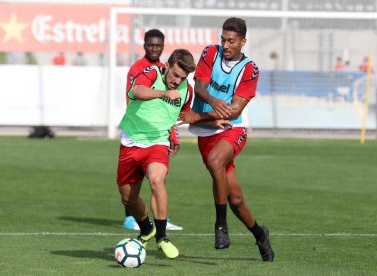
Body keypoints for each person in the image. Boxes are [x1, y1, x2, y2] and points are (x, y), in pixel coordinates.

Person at [178, 17, 275, 262]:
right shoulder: (211, 53)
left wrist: (195, 116)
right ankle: (259, 233)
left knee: (215, 161)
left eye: (231, 41)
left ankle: (220, 225)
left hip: (233, 129)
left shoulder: (250, 69)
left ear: (243, 41)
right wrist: (209, 106)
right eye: (223, 39)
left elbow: (234, 112)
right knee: (236, 199)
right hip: (206, 130)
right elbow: (199, 87)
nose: (226, 45)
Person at [116, 49, 199, 259]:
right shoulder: (152, 73)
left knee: (156, 179)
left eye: (183, 77)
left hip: (158, 143)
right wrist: (163, 93)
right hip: (131, 142)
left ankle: (162, 237)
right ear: (168, 66)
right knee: (128, 198)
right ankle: (146, 228)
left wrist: (175, 135)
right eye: (175, 75)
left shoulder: (187, 90)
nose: (177, 81)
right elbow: (137, 91)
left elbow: (179, 115)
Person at [122, 29, 183, 232]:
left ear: (163, 47)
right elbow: (132, 96)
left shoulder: (168, 71)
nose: (154, 48)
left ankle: (159, 224)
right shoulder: (138, 68)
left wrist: (172, 133)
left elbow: (170, 110)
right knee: (130, 189)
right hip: (137, 131)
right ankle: (131, 216)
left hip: (157, 136)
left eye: (158, 45)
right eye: (151, 45)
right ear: (144, 45)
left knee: (156, 178)